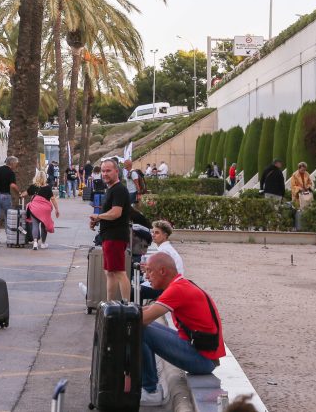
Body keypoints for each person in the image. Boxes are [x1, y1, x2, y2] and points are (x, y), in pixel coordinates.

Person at [138, 252, 224, 407]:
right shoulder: (181, 284)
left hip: (202, 360)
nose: (147, 276)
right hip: (202, 354)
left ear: (162, 271)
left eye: (150, 271)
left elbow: (144, 318)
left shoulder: (177, 290)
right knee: (144, 326)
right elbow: (148, 310)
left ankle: (150, 391)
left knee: (140, 329)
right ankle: (148, 386)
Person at [87, 158, 132, 302]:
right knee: (110, 272)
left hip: (115, 237)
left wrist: (99, 216)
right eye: (103, 171)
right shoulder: (111, 189)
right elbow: (110, 212)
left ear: (116, 171)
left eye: (108, 170)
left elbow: (116, 213)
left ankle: (126, 306)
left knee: (119, 272)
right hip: (109, 236)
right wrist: (98, 219)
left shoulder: (119, 189)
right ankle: (109, 304)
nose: (105, 174)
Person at [139, 220, 184, 302]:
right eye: (153, 232)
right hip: (171, 283)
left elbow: (161, 273)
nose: (153, 235)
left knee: (133, 291)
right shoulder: (166, 248)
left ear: (165, 235)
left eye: (157, 233)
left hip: (167, 286)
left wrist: (146, 269)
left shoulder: (163, 251)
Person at [24, 171, 60, 250]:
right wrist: (57, 209)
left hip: (34, 209)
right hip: (45, 210)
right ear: (45, 178)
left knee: (35, 225)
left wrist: (20, 194)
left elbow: (25, 193)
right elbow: (53, 199)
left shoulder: (33, 186)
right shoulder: (48, 188)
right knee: (44, 226)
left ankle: (35, 243)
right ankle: (43, 243)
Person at [0, 155, 20, 244]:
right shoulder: (10, 172)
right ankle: (8, 236)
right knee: (8, 217)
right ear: (12, 163)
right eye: (16, 164)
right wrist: (19, 193)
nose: (16, 166)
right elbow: (12, 185)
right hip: (6, 196)